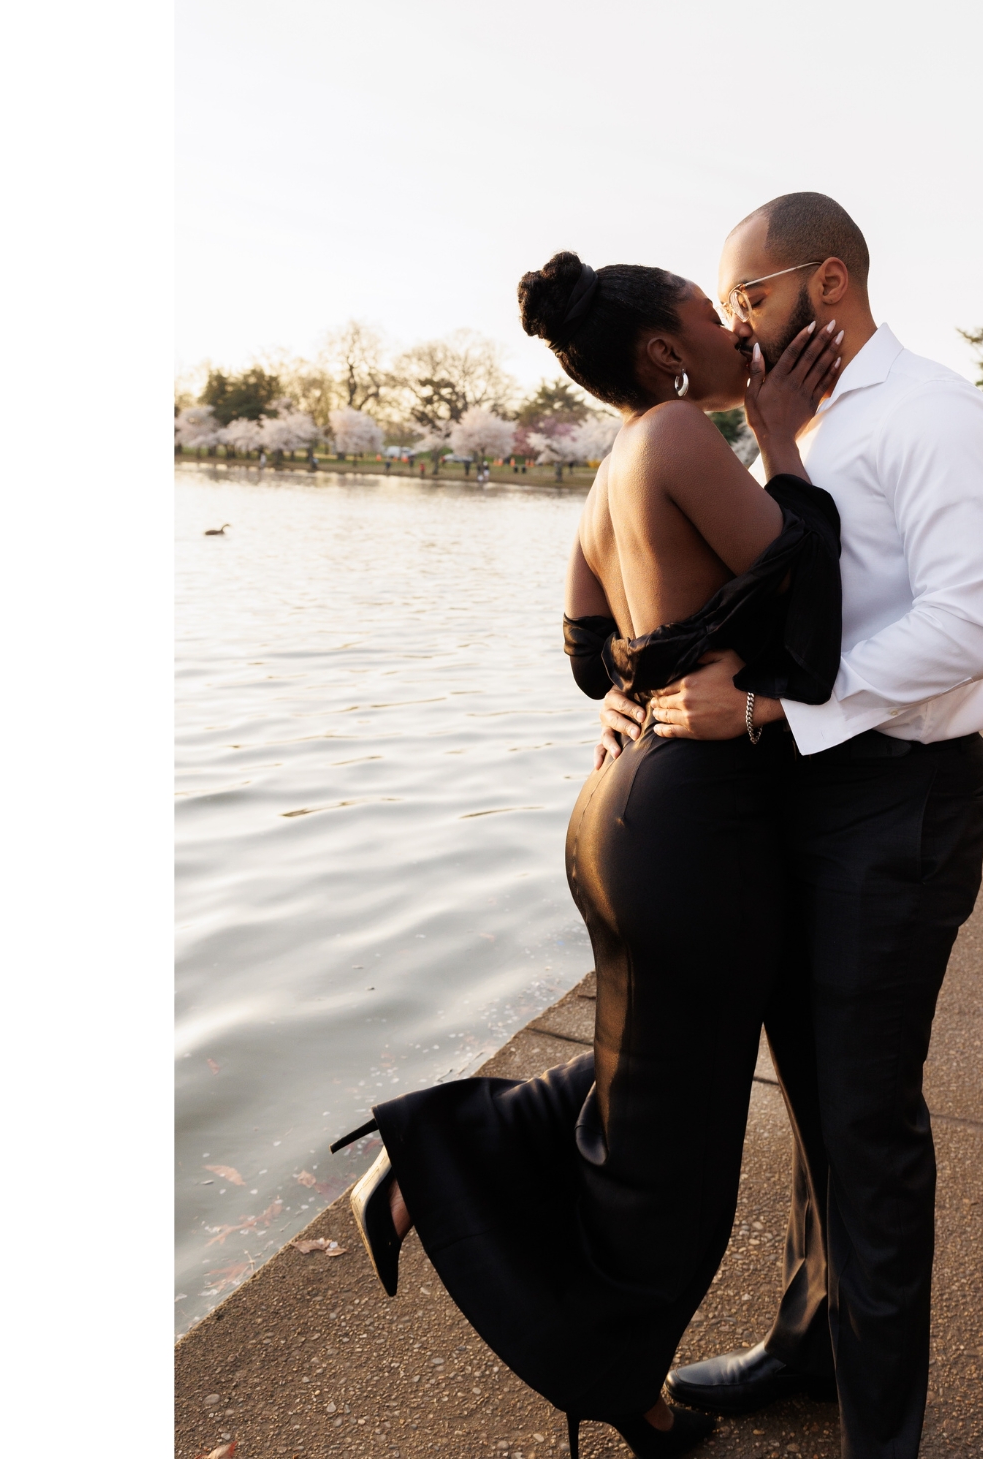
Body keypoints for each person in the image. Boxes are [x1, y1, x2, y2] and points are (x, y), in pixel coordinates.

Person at [329, 249, 848, 1459]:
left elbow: (585, 650)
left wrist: (630, 689)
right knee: (676, 1158)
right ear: (667, 354)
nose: (733, 330)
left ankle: (439, 1172)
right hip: (696, 822)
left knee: (643, 1076)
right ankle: (613, 1369)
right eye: (706, 320)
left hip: (617, 813)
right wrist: (778, 441)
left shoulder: (612, 464)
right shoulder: (678, 440)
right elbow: (810, 607)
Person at [601, 194, 983, 1459]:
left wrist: (775, 708)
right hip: (795, 797)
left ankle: (878, 1433)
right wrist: (643, 694)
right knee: (816, 1098)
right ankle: (809, 1344)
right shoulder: (789, 431)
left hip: (899, 802)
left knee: (866, 1118)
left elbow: (971, 626)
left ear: (824, 284)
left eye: (748, 298)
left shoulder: (937, 415)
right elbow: (744, 595)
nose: (730, 327)